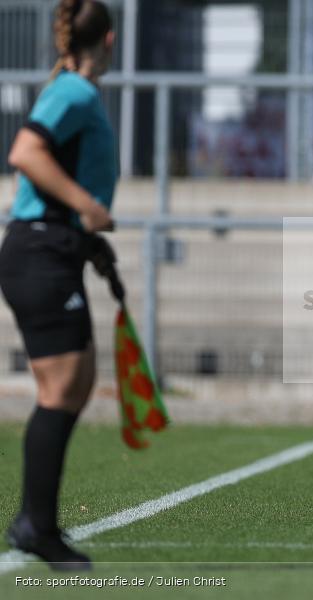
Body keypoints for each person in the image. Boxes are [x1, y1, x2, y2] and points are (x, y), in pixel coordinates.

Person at [0, 0, 117, 569]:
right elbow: (24, 153)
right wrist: (87, 207)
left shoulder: (77, 91)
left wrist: (89, 241)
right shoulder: (73, 91)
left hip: (56, 249)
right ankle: (36, 527)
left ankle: (35, 521)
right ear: (109, 40)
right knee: (63, 386)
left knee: (77, 379)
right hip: (38, 253)